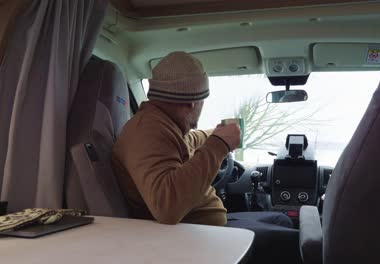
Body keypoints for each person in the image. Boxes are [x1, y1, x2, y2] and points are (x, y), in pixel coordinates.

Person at [112, 51, 301, 263]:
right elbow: (168, 207)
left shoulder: (163, 125)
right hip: (193, 236)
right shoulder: (147, 131)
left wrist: (217, 133)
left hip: (204, 225)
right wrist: (219, 145)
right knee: (298, 245)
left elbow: (190, 141)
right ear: (193, 101)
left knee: (282, 220)